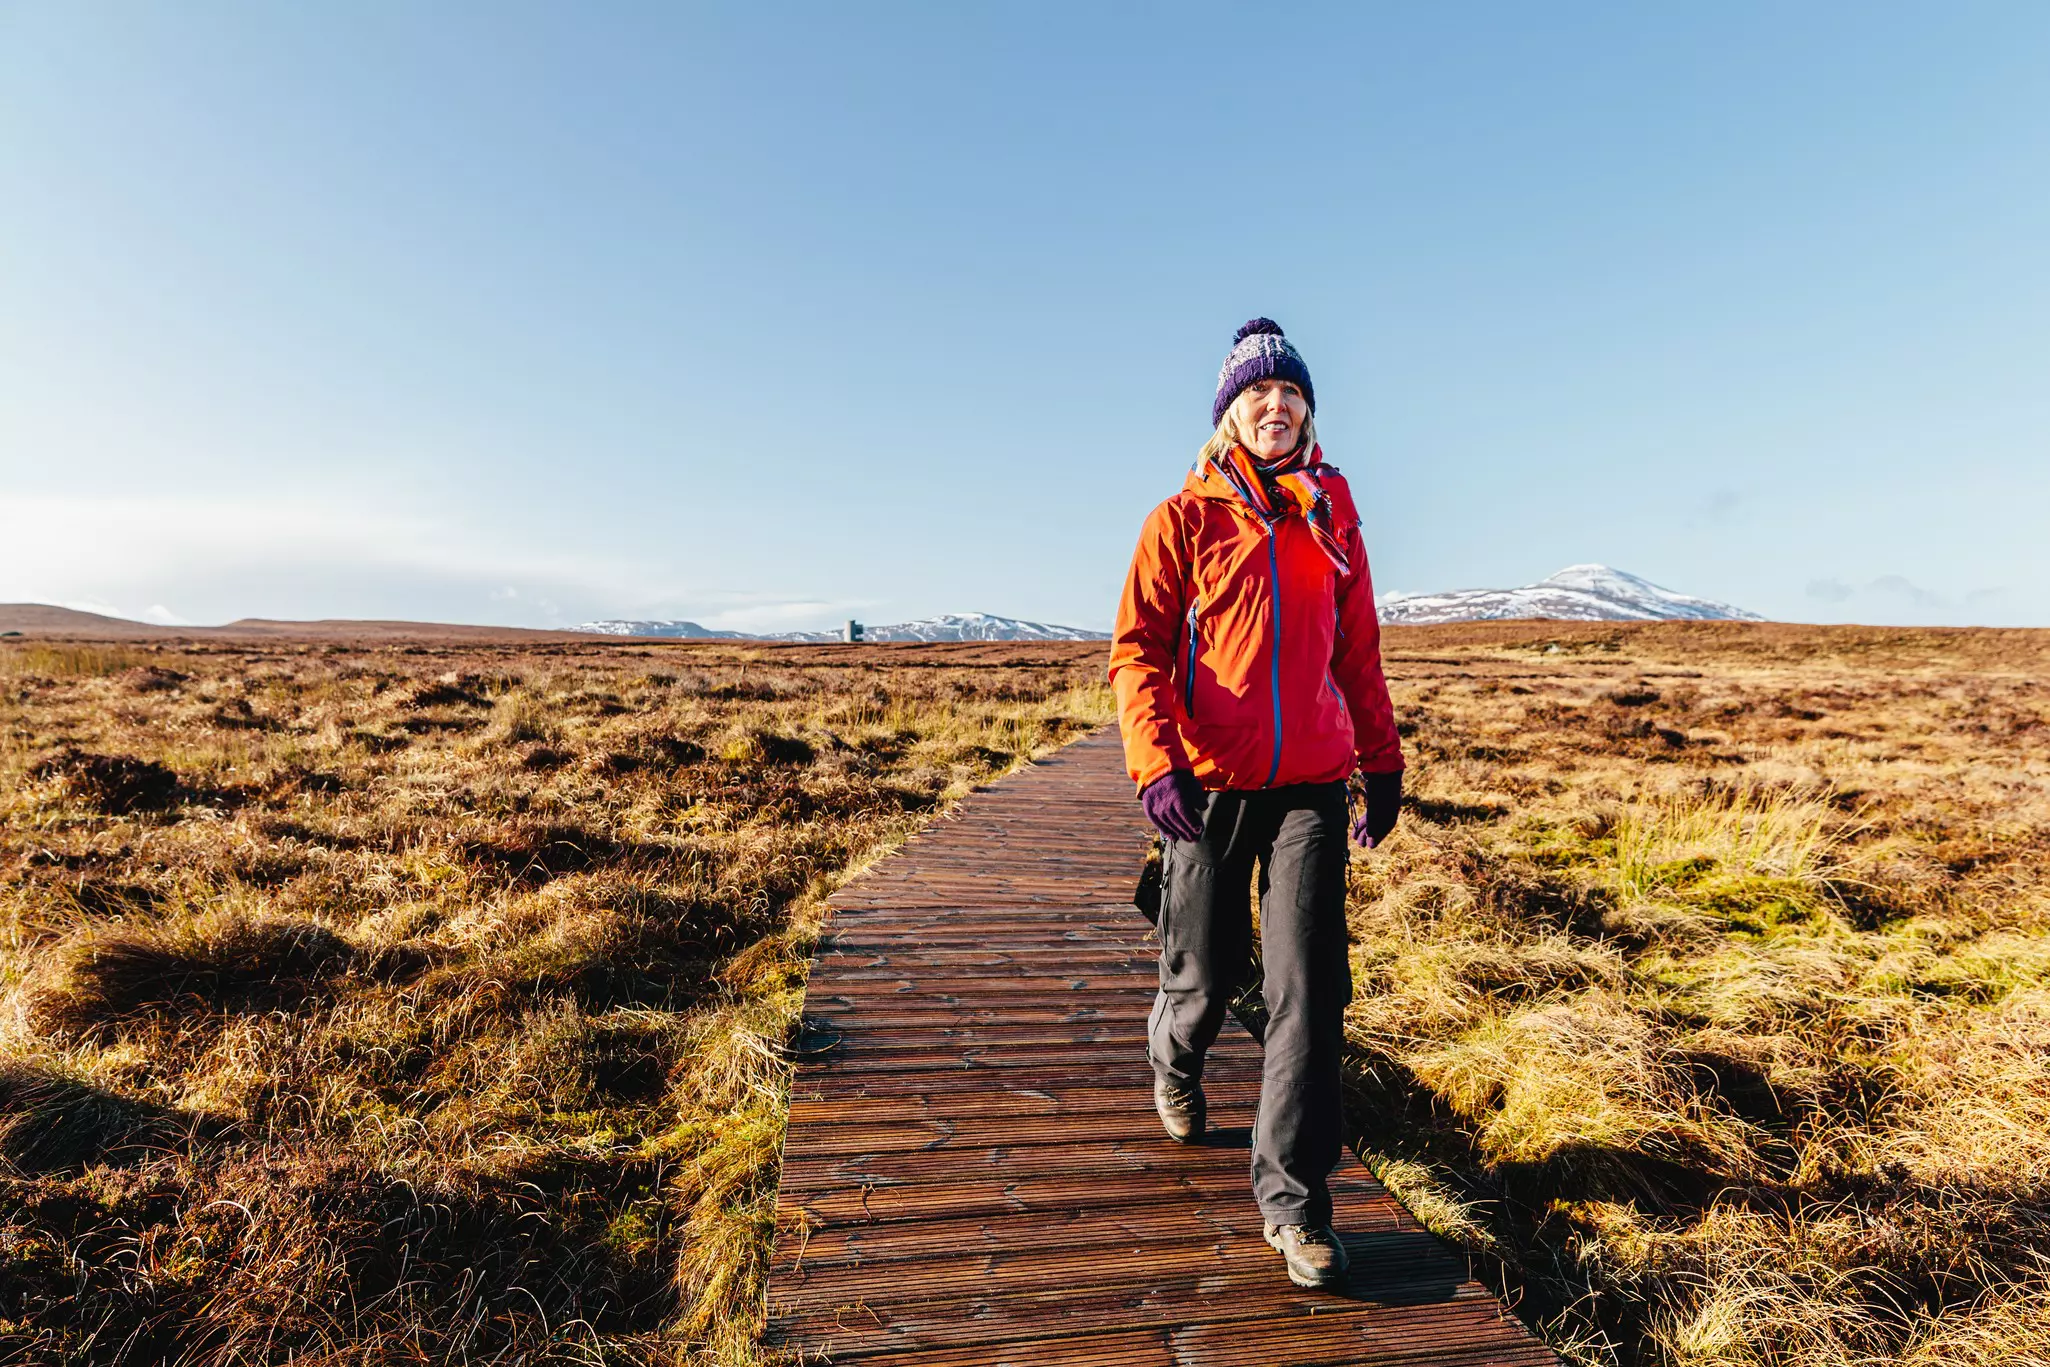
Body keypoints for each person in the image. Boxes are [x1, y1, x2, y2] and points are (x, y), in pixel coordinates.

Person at [1108, 318, 1404, 1291]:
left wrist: (1380, 757)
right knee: (1205, 967)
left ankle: (1294, 1201)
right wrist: (1157, 764)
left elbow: (1355, 647)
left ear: (1306, 409)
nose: (1274, 407)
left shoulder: (1331, 512)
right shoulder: (1182, 520)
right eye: (1256, 394)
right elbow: (1138, 651)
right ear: (1229, 413)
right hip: (1209, 783)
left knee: (1309, 988)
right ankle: (1176, 1054)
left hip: (1311, 786)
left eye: (1290, 394)